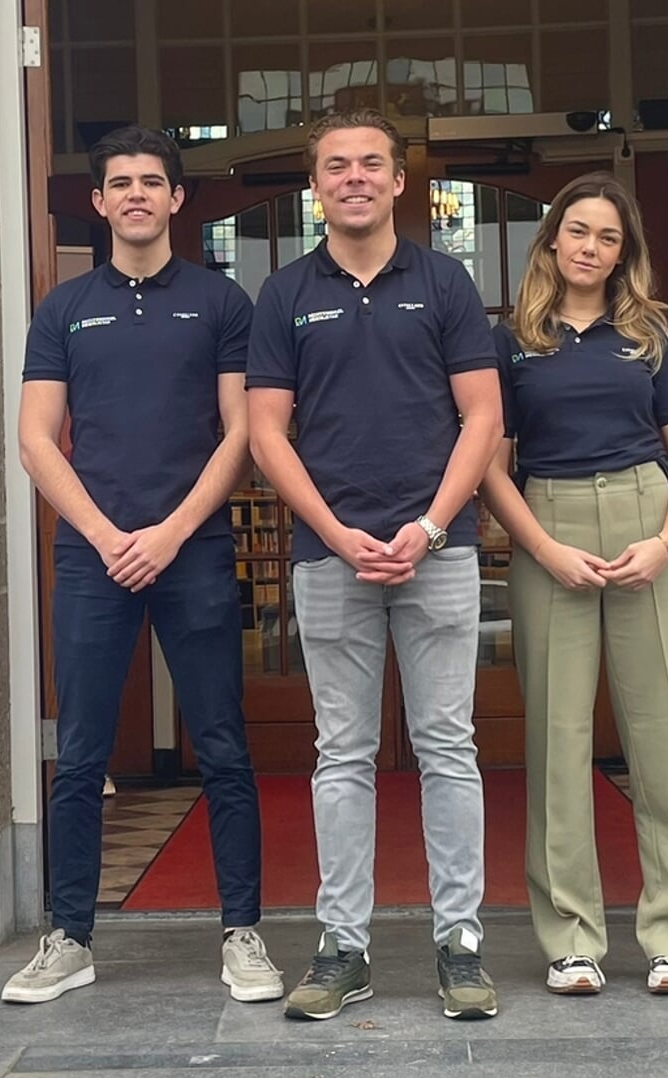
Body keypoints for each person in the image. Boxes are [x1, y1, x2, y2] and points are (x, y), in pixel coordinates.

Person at [9, 125, 280, 1006]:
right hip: (92, 557)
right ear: (98, 202)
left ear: (175, 199)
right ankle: (68, 938)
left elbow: (241, 433)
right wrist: (103, 533)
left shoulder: (220, 302)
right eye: (119, 182)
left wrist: (167, 532)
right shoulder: (62, 308)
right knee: (81, 752)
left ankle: (242, 932)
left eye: (151, 182)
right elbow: (36, 440)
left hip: (193, 547)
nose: (135, 194)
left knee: (223, 747)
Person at [245, 108, 504, 1022]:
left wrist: (429, 528)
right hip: (328, 555)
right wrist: (335, 529)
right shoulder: (283, 295)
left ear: (400, 182)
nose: (352, 177)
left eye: (369, 165)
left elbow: (481, 416)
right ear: (316, 187)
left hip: (436, 556)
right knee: (341, 756)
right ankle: (342, 947)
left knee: (448, 750)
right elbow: (265, 432)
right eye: (334, 166)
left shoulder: (444, 282)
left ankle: (459, 946)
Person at [478, 172, 668, 996]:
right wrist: (539, 546)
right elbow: (490, 465)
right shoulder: (510, 342)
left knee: (658, 738)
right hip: (551, 530)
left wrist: (664, 542)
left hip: (647, 522)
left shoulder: (650, 339)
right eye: (576, 231)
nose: (589, 247)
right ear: (550, 241)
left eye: (607, 237)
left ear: (624, 254)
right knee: (557, 742)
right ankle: (571, 940)